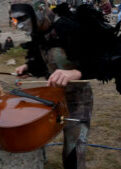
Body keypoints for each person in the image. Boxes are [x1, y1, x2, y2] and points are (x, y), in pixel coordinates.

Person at [11, 2, 94, 169]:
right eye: (14, 20)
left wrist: (76, 72)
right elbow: (47, 61)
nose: (18, 25)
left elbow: (100, 57)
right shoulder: (40, 32)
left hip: (78, 100)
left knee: (73, 153)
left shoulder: (69, 27)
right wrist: (30, 67)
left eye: (22, 19)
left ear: (39, 11)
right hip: (52, 98)